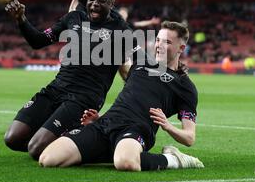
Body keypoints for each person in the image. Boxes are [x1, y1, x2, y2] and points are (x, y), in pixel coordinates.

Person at [39, 21, 204, 171]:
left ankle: (174, 159)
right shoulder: (140, 61)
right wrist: (99, 118)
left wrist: (168, 125)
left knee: (126, 163)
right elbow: (131, 96)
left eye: (167, 42)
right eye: (158, 40)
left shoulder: (185, 87)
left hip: (136, 129)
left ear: (181, 48)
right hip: (106, 123)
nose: (159, 45)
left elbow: (189, 137)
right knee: (48, 158)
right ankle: (112, 149)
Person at [4, 0, 135, 160]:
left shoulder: (121, 30)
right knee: (13, 139)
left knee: (36, 149)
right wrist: (21, 20)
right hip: (56, 89)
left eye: (102, 0)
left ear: (112, 4)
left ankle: (88, 138)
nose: (95, 3)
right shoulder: (74, 18)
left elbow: (133, 65)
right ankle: (71, 134)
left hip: (84, 98)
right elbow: (39, 41)